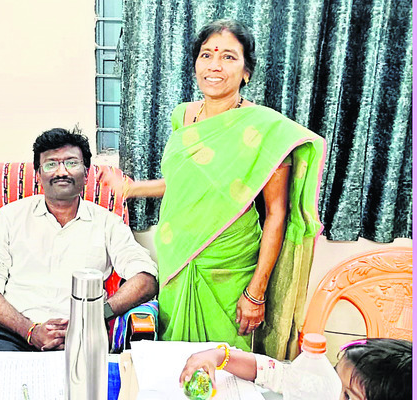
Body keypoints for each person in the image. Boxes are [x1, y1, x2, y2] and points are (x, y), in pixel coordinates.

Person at [99, 19, 325, 357]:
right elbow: (188, 183)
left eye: (229, 57)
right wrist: (132, 189)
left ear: (246, 72)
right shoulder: (183, 116)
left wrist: (256, 292)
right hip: (177, 257)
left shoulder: (267, 130)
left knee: (227, 362)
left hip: (228, 264)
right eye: (206, 55)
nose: (214, 65)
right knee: (175, 361)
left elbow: (277, 214)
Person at [0, 127, 158, 351]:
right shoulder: (10, 217)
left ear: (86, 174)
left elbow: (145, 279)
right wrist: (30, 331)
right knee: (0, 372)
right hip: (13, 335)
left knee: (95, 373)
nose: (62, 171)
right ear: (39, 175)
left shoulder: (108, 223)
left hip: (85, 335)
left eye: (71, 163)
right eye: (51, 164)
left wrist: (93, 316)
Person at [179, 338, 412, 400]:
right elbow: (273, 372)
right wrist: (217, 356)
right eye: (333, 372)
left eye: (348, 397)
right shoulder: (323, 389)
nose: (332, 391)